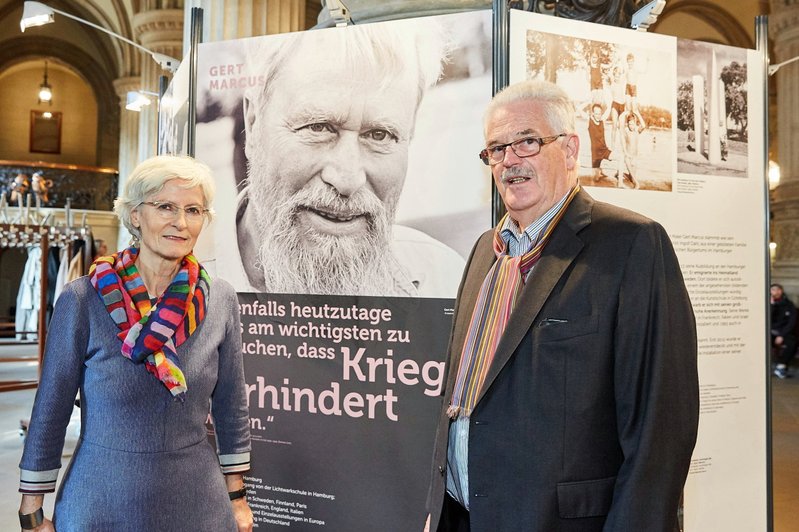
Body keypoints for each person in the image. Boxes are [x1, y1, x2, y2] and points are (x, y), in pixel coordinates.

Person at [425, 79, 699, 531]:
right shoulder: (483, 251)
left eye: (527, 142)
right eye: (496, 149)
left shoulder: (631, 245)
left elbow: (660, 431)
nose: (510, 160)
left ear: (570, 149)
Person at [18, 155, 253, 532]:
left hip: (196, 502)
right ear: (135, 215)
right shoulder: (83, 299)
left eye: (193, 210)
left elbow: (230, 407)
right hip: (100, 499)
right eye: (165, 207)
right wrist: (31, 512)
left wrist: (237, 500)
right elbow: (52, 406)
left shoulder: (220, 299)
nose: (180, 222)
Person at [204, 21, 465, 297]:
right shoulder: (170, 288)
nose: (347, 178)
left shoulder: (444, 283)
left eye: (379, 135)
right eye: (318, 127)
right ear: (253, 122)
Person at [771, 283, 796, 379]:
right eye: (773, 290)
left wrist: (781, 335)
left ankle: (780, 366)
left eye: (777, 290)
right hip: (769, 331)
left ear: (781, 291)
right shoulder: (767, 304)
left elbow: (791, 322)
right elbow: (765, 319)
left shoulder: (789, 304)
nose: (775, 292)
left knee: (792, 343)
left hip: (783, 331)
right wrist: (772, 305)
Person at [619, 110, 645, 189]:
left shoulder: (637, 130)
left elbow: (643, 126)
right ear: (627, 124)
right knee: (634, 180)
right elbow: (621, 124)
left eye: (633, 124)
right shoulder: (626, 131)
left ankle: (621, 174)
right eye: (629, 124)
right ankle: (637, 184)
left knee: (631, 178)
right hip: (628, 156)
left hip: (635, 157)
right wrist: (624, 114)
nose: (631, 126)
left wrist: (637, 113)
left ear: (636, 123)